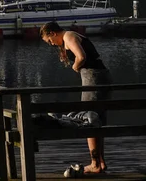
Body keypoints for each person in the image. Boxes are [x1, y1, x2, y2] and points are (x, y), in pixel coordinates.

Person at [39, 21, 112, 174]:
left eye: (50, 41)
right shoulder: (71, 36)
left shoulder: (69, 36)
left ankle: (95, 164)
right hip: (99, 76)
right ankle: (101, 163)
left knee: (89, 120)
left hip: (93, 78)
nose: (51, 44)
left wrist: (75, 66)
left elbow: (81, 56)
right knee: (97, 119)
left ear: (53, 33)